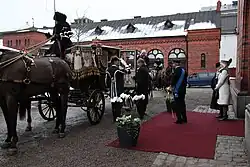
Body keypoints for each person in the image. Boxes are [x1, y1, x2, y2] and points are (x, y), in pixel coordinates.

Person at [106, 56, 127, 122]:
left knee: (113, 103)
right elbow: (126, 72)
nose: (118, 62)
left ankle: (114, 117)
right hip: (118, 89)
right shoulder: (118, 70)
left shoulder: (108, 69)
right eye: (118, 61)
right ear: (115, 61)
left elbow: (107, 81)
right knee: (118, 103)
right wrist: (126, 66)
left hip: (112, 89)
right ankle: (118, 116)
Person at [168, 60, 188, 124]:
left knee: (177, 105)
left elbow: (173, 81)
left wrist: (170, 87)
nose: (173, 64)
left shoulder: (175, 71)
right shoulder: (184, 70)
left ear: (176, 64)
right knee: (183, 104)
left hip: (177, 90)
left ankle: (179, 119)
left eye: (173, 63)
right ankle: (184, 118)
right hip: (183, 90)